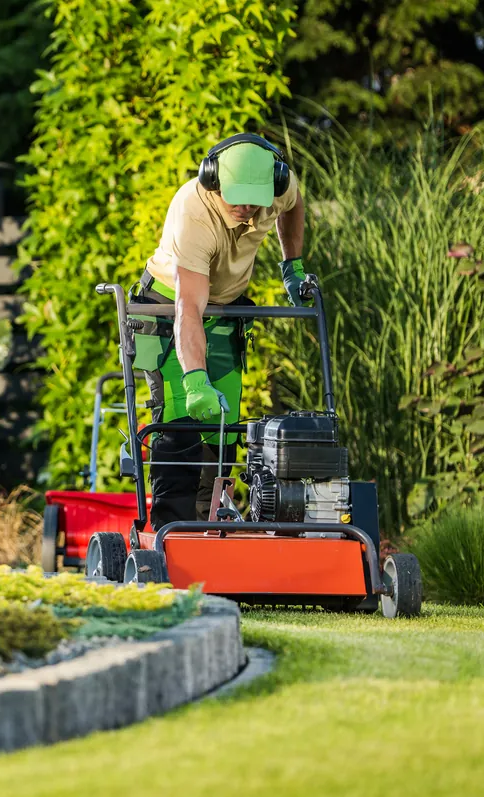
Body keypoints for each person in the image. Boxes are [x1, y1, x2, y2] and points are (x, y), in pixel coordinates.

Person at [130, 133, 307, 529]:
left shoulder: (279, 188)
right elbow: (188, 308)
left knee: (222, 435)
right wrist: (194, 378)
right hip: (168, 314)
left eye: (253, 199)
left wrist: (291, 265)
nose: (246, 207)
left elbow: (294, 206)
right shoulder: (192, 212)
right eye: (236, 198)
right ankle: (170, 539)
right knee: (180, 427)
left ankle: (211, 532)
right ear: (213, 181)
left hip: (226, 312)